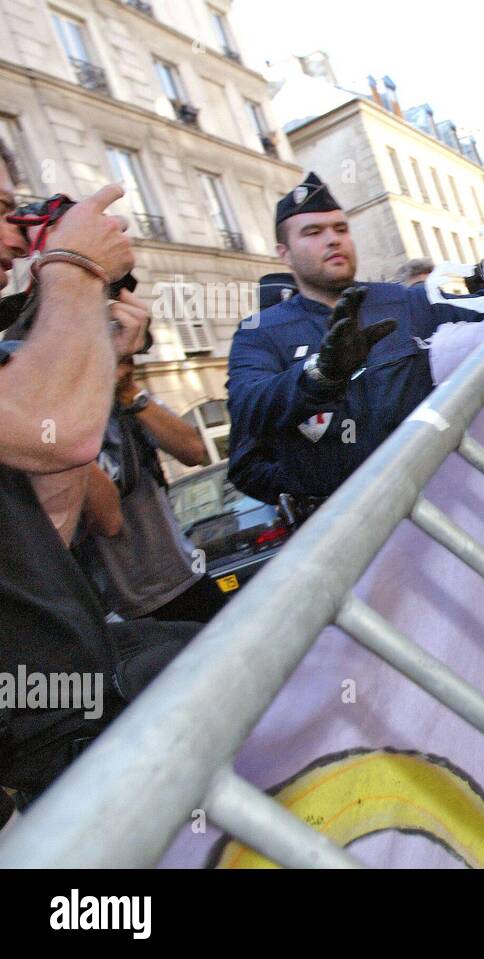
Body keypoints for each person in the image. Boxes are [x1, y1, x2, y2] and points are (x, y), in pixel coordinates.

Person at [0, 170, 196, 805]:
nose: (17, 236)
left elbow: (48, 531)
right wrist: (72, 268)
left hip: (62, 704)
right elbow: (64, 440)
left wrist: (96, 355)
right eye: (3, 211)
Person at [226, 173, 484, 502]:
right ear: (284, 253)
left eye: (340, 229)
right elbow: (250, 408)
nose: (333, 240)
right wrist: (321, 375)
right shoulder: (261, 333)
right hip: (357, 530)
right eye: (313, 232)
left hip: (442, 499)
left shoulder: (405, 301)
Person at [75, 356, 228, 624]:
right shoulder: (47, 428)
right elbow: (108, 522)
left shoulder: (126, 404)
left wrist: (128, 392)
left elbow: (194, 451)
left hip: (181, 578)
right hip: (113, 608)